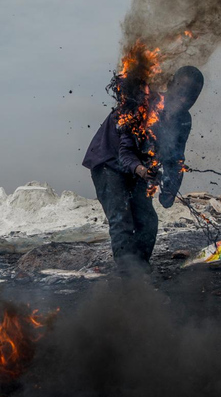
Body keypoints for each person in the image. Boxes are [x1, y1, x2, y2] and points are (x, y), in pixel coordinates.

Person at [83, 66, 203, 274]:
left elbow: (176, 158)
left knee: (148, 221)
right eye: (182, 93)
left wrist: (170, 191)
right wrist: (139, 168)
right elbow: (125, 152)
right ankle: (131, 280)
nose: (185, 101)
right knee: (121, 220)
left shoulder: (184, 120)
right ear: (172, 84)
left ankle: (139, 270)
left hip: (138, 169)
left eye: (192, 96)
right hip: (109, 162)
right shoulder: (144, 103)